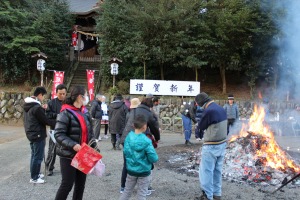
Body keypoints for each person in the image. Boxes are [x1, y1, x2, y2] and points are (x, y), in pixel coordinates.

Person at [54, 85, 97, 200]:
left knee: (80, 185)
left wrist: (94, 146)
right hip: (68, 155)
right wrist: (73, 145)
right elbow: (58, 134)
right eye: (86, 95)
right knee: (67, 185)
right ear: (79, 97)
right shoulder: (65, 113)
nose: (87, 97)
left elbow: (90, 132)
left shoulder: (85, 112)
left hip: (83, 154)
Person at [195, 92, 227, 200]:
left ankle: (207, 196)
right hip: (222, 143)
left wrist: (198, 133)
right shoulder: (220, 108)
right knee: (217, 171)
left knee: (206, 172)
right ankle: (217, 194)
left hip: (211, 146)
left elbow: (201, 126)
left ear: (201, 103)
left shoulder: (209, 111)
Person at [119, 114, 159, 200]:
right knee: (142, 194)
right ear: (145, 126)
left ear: (133, 125)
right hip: (144, 171)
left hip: (131, 170)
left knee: (127, 191)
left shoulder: (128, 137)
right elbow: (154, 158)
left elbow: (126, 152)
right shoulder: (147, 141)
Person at [23, 86, 56, 184]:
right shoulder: (36, 108)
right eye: (43, 96)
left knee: (34, 155)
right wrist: (58, 122)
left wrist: (43, 110)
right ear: (40, 95)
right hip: (37, 134)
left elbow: (36, 118)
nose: (43, 98)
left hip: (31, 133)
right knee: (38, 157)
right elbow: (45, 120)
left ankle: (35, 173)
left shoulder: (28, 105)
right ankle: (34, 177)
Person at [119, 98, 141, 194]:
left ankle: (123, 187)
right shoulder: (138, 114)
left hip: (125, 139)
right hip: (132, 140)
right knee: (137, 163)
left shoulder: (129, 113)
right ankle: (141, 187)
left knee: (126, 164)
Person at [45, 84, 67, 176]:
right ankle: (49, 167)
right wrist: (56, 115)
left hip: (66, 130)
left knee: (67, 150)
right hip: (55, 129)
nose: (62, 95)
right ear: (56, 92)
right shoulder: (51, 103)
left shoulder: (69, 103)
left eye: (64, 94)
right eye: (60, 93)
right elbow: (47, 115)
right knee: (52, 150)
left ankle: (68, 169)